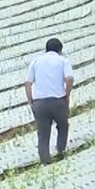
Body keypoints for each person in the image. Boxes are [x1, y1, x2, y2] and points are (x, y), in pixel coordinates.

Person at [24, 37, 75, 165]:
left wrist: (31, 101)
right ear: (60, 50)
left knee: (43, 133)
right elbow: (69, 79)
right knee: (63, 126)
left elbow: (28, 83)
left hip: (40, 103)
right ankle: (61, 151)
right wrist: (67, 95)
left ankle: (45, 161)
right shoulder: (63, 61)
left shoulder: (36, 62)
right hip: (58, 101)